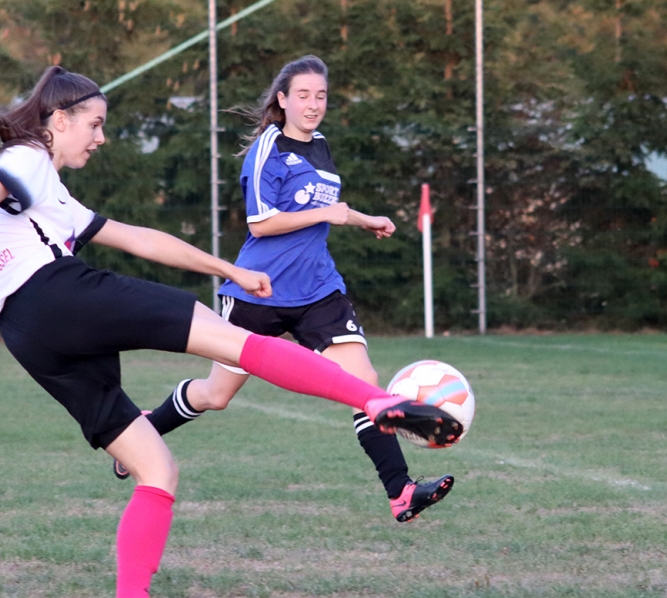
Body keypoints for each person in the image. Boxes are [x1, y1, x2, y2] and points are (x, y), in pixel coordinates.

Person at [0, 66, 461, 598]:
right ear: (59, 120)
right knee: (238, 344)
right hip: (58, 295)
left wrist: (228, 269)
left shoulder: (54, 196)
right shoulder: (29, 157)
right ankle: (376, 401)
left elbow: (138, 237)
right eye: (94, 124)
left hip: (28, 334)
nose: (100, 137)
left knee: (157, 468)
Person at [112, 55, 454, 524]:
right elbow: (261, 222)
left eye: (321, 96)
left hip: (318, 290)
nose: (313, 104)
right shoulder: (267, 148)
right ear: (283, 99)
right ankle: (143, 430)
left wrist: (362, 218)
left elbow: (327, 206)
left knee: (364, 383)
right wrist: (329, 214)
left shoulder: (321, 146)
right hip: (260, 291)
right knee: (216, 395)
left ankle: (402, 490)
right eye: (304, 95)